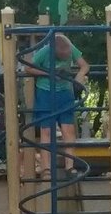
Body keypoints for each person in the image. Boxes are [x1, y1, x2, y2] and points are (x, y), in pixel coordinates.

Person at [26, 33, 89, 175]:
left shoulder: (70, 48)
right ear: (54, 51)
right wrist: (48, 73)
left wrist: (79, 76)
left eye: (68, 54)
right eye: (63, 55)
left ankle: (69, 166)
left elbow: (84, 66)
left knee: (68, 130)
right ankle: (46, 168)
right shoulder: (44, 52)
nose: (67, 56)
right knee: (46, 130)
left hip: (64, 92)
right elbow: (28, 68)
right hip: (46, 93)